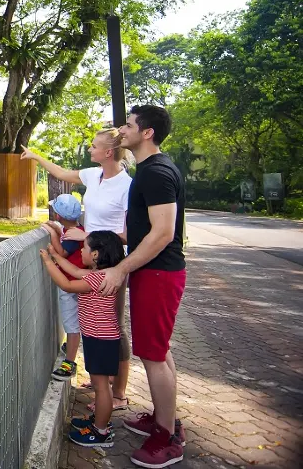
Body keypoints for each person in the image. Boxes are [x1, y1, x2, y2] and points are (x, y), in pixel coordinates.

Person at [97, 105, 187, 468]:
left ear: (147, 132)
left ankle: (167, 436)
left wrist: (121, 268)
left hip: (158, 273)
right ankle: (164, 417)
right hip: (153, 272)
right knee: (158, 350)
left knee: (153, 354)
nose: (122, 130)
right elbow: (142, 226)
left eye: (130, 125)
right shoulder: (149, 169)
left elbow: (163, 233)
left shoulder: (156, 173)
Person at [21, 129, 132, 410]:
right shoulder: (93, 176)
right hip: (88, 260)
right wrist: (35, 157)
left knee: (113, 325)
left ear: (108, 153)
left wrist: (90, 236)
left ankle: (117, 393)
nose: (90, 150)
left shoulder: (128, 186)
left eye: (94, 147)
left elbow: (131, 235)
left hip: (112, 264)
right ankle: (101, 380)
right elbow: (61, 172)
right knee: (94, 324)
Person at [40, 230, 126, 448]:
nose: (81, 251)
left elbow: (68, 285)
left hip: (100, 339)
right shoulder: (102, 272)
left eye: (85, 248)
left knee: (100, 387)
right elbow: (76, 270)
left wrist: (48, 263)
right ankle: (100, 421)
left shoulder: (98, 278)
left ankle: (101, 431)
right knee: (99, 384)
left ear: (96, 254)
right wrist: (55, 255)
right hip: (98, 338)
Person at [41, 194, 85, 381]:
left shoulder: (73, 235)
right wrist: (57, 230)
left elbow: (63, 253)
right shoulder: (78, 229)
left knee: (71, 325)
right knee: (73, 322)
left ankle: (69, 363)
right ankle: (72, 346)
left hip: (70, 285)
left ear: (59, 215)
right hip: (75, 281)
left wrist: (52, 235)